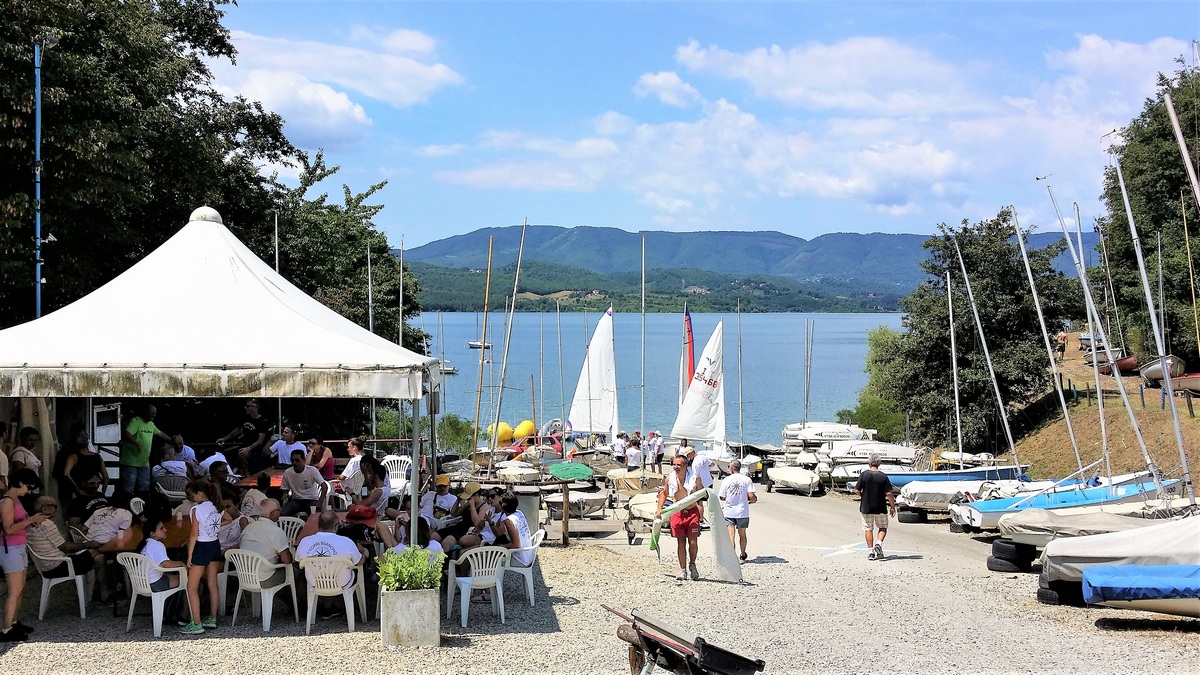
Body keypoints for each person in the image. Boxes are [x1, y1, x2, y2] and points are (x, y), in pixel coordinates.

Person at [25, 496, 109, 604]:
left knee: (98, 556)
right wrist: (88, 544)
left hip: (47, 566)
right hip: (59, 565)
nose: (57, 510)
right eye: (54, 507)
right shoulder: (46, 523)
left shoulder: (29, 522)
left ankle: (96, 594)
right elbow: (66, 547)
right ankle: (104, 596)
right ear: (45, 509)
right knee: (99, 554)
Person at [0, 469, 46, 641]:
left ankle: (13, 622)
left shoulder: (17, 500)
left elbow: (19, 523)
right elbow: (8, 529)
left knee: (20, 588)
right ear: (20, 483)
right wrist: (31, 520)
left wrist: (31, 522)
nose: (29, 491)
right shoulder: (6, 501)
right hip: (9, 548)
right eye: (29, 486)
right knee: (14, 590)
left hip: (19, 546)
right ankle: (6, 629)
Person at [296, 510, 365, 614]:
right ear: (336, 525)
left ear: (318, 524)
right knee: (348, 569)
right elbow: (359, 562)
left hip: (314, 582)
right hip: (342, 582)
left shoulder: (305, 541)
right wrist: (364, 553)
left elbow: (298, 561)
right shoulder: (346, 542)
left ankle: (313, 608)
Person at [181, 480, 223, 635]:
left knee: (192, 587)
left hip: (201, 546)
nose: (192, 499)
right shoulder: (216, 506)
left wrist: (190, 555)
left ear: (200, 493)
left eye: (193, 496)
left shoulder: (196, 510)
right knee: (212, 583)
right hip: (215, 544)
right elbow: (226, 519)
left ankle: (196, 623)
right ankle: (212, 617)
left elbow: (194, 534)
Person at [657, 455, 703, 581]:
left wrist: (701, 509)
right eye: (674, 464)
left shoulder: (695, 478)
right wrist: (659, 509)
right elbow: (664, 494)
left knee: (693, 541)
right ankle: (683, 570)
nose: (676, 467)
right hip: (677, 512)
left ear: (685, 466)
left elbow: (700, 495)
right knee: (681, 542)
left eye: (679, 465)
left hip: (692, 512)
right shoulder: (669, 479)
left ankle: (692, 564)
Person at [237, 498, 293, 586]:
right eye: (279, 510)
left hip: (245, 577)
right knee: (295, 571)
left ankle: (268, 595)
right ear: (273, 513)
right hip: (264, 578)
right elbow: (286, 560)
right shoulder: (276, 531)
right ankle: (281, 594)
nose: (281, 512)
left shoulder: (248, 528)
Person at [120, 404, 173, 497]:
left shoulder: (150, 424)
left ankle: (143, 502)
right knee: (129, 485)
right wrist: (136, 443)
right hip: (130, 461)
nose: (154, 415)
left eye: (155, 413)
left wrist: (171, 440)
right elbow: (127, 434)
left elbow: (160, 434)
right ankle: (127, 502)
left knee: (145, 486)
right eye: (152, 413)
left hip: (144, 462)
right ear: (145, 412)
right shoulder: (136, 421)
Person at [853, 454, 896, 561]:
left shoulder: (864, 475)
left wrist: (863, 496)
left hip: (866, 506)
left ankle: (871, 552)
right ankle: (879, 543)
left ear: (869, 463)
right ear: (879, 463)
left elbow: (856, 490)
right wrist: (892, 506)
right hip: (880, 506)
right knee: (883, 527)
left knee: (868, 529)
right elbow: (889, 493)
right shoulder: (883, 476)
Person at [216, 399, 272, 474]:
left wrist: (248, 449)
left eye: (248, 406)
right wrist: (224, 439)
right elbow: (238, 429)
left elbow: (260, 441)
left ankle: (247, 472)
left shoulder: (262, 422)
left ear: (255, 407)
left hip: (256, 450)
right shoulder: (245, 418)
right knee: (228, 452)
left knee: (242, 454)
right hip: (244, 445)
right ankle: (236, 470)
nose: (245, 408)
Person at [717, 458, 757, 563]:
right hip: (742, 511)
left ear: (731, 468)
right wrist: (752, 500)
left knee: (731, 535)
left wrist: (728, 498)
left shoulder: (726, 480)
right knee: (742, 534)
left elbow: (721, 496)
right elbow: (751, 496)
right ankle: (743, 554)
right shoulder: (746, 479)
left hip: (729, 511)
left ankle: (732, 557)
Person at [60, 425, 107, 503]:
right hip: (96, 488)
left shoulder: (74, 457)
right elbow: (106, 478)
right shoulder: (98, 456)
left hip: (82, 489)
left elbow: (66, 474)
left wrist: (76, 489)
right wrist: (102, 493)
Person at [281, 449, 325, 517]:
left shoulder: (312, 470)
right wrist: (285, 495)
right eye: (292, 461)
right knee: (282, 513)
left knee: (316, 515)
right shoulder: (288, 472)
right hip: (296, 500)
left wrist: (320, 502)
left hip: (311, 499)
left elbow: (324, 486)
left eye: (297, 460)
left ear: (304, 460)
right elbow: (285, 489)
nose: (294, 463)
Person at [497, 492, 533, 566]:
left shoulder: (509, 521)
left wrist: (501, 547)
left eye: (500, 503)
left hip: (521, 559)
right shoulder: (519, 513)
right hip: (528, 555)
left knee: (491, 557)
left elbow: (516, 545)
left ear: (503, 506)